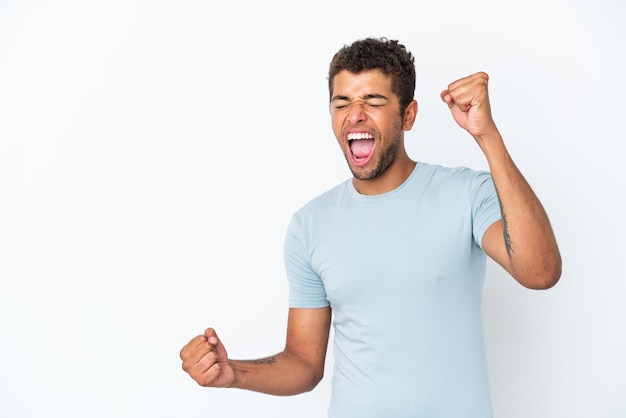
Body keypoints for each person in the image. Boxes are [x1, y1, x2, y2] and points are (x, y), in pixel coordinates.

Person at [179, 37, 561, 417]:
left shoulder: (467, 193)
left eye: (374, 101)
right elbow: (304, 362)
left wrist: (486, 135)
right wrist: (233, 374)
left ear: (408, 115)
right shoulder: (310, 226)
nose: (355, 114)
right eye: (341, 102)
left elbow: (540, 271)